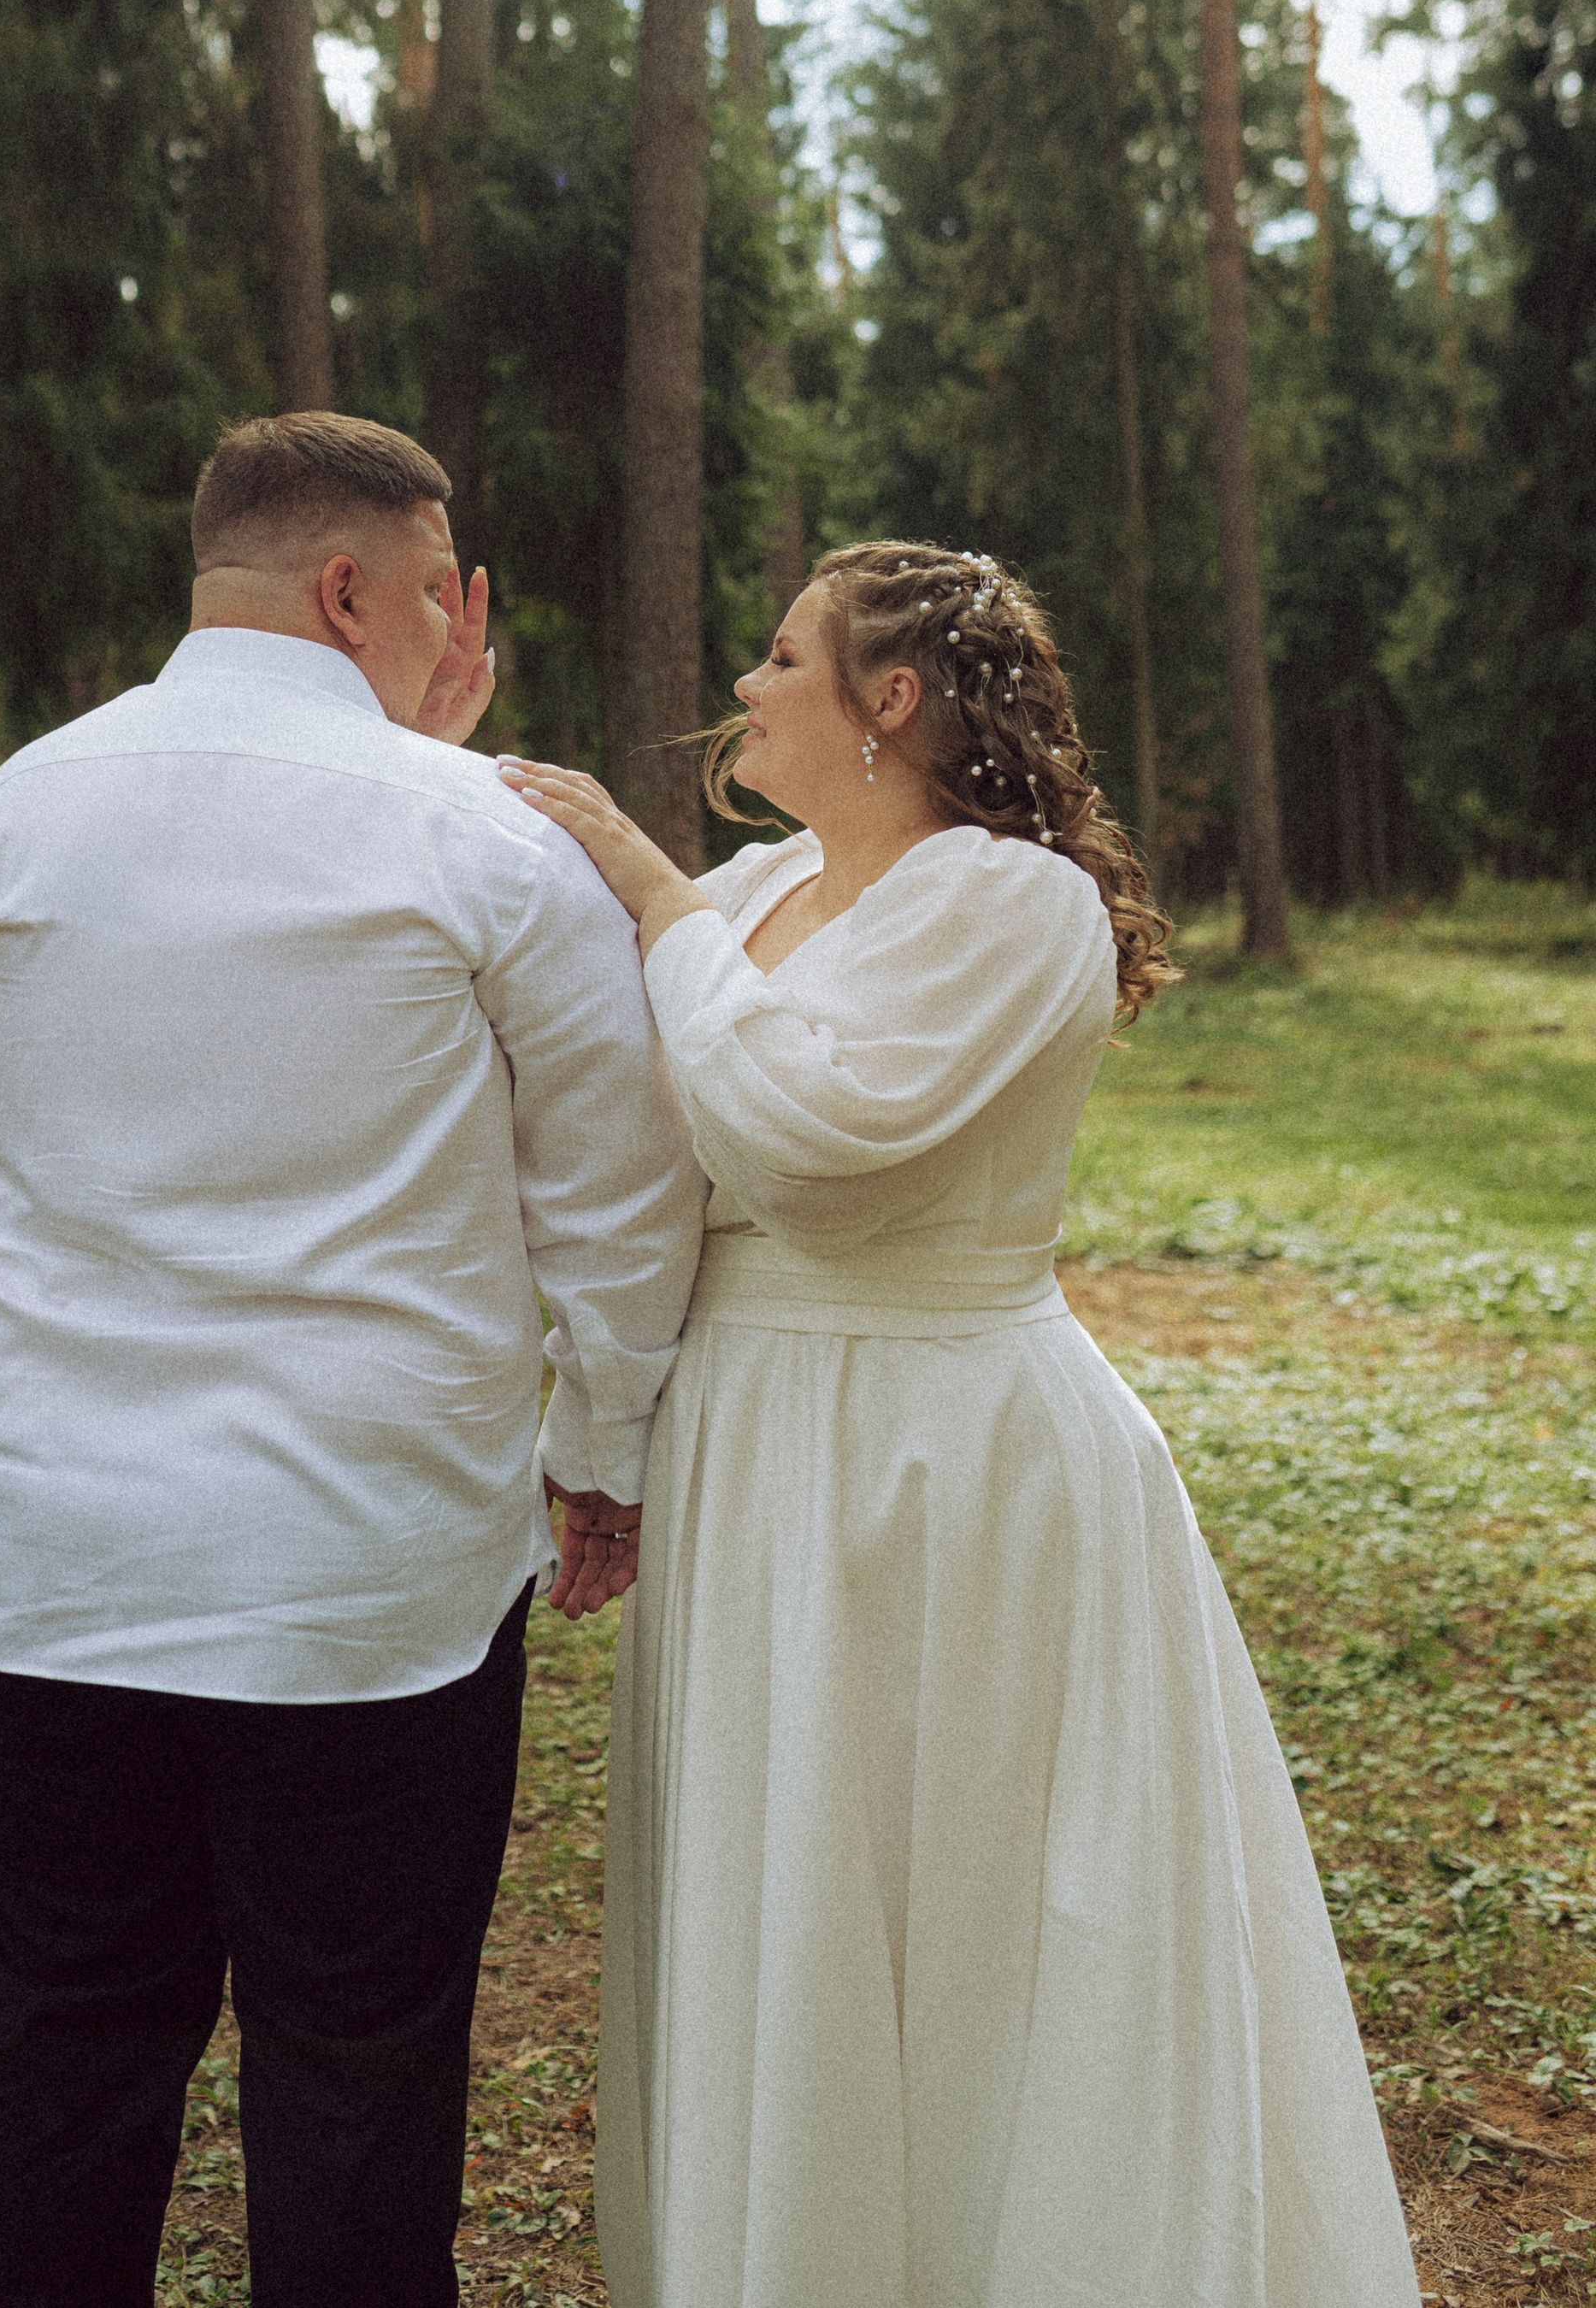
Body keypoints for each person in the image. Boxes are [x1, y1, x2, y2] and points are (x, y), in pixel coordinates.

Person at [0, 410, 705, 2308]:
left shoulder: (16, 808)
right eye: (439, 593)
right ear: (352, 590)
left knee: (65, 2037)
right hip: (367, 1573)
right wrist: (604, 1439)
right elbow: (621, 1191)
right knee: (356, 2062)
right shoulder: (478, 841)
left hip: (58, 1558)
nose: (456, 639)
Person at [499, 541, 1422, 2308]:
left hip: (952, 1460)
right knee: (785, 1913)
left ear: (889, 700)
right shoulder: (757, 888)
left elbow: (809, 1146)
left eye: (784, 657)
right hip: (750, 1448)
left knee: (980, 1920)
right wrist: (599, 1433)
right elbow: (632, 1158)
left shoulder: (1006, 901)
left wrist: (638, 886)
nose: (748, 686)